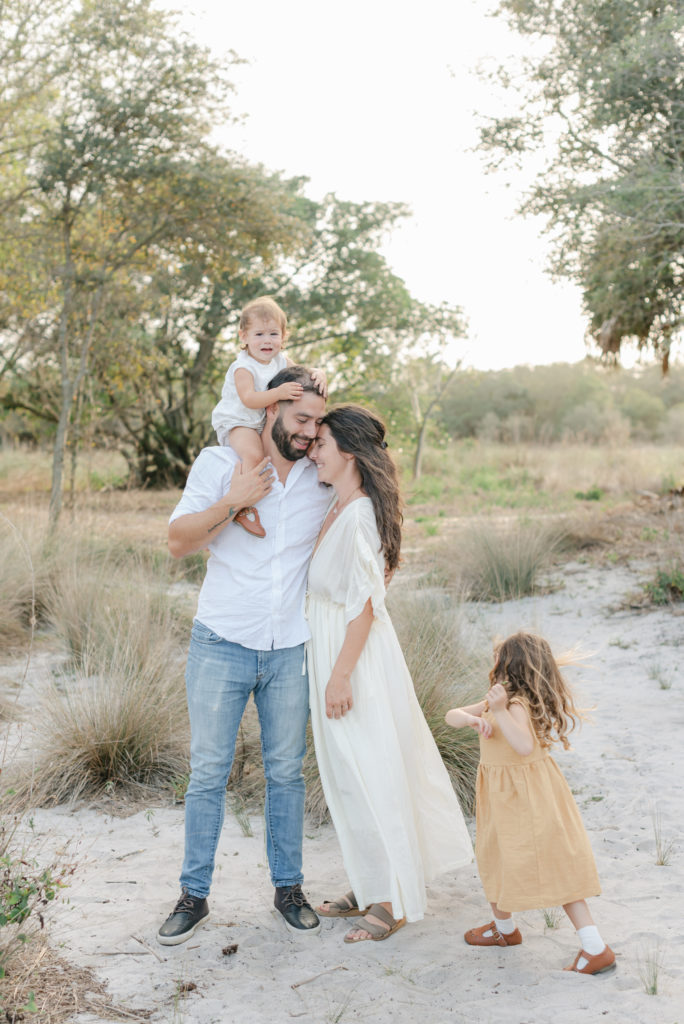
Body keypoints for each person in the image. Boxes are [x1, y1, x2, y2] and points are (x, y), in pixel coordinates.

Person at [157, 366, 330, 946]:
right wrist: (234, 501)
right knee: (208, 773)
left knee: (287, 773)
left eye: (316, 422)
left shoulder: (319, 476)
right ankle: (194, 896)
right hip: (220, 643)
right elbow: (179, 543)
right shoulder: (218, 465)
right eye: (300, 419)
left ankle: (289, 888)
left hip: (289, 648)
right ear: (269, 412)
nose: (309, 432)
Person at [306, 404, 473, 944]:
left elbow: (365, 605)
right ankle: (372, 878)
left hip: (354, 658)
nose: (313, 451)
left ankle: (393, 898)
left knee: (370, 769)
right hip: (332, 647)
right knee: (349, 776)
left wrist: (340, 676)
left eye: (321, 445)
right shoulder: (340, 505)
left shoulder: (356, 516)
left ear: (348, 454)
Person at [445, 631, 615, 975]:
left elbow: (522, 746)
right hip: (501, 797)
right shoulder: (500, 699)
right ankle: (504, 930)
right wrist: (473, 717)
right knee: (493, 857)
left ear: (511, 665)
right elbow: (451, 715)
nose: (493, 664)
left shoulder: (517, 704)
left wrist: (498, 711)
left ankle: (594, 947)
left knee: (555, 864)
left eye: (497, 658)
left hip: (527, 799)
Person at [211, 296, 326, 538]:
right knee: (253, 455)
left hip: (262, 422)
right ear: (244, 337)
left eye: (273, 334)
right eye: (259, 334)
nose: (267, 341)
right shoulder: (243, 367)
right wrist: (279, 393)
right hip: (239, 421)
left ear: (284, 337)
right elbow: (249, 399)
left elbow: (302, 375)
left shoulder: (281, 361)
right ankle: (243, 506)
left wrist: (318, 373)